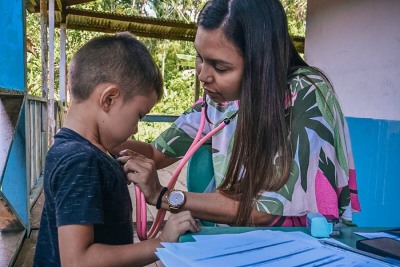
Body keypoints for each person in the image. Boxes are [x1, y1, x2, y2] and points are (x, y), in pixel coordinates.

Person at [117, 0, 361, 227]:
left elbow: (265, 210)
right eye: (200, 58)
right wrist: (94, 137)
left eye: (220, 67)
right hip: (241, 246)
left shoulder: (307, 92)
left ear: (261, 62)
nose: (202, 75)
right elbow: (154, 153)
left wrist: (164, 196)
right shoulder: (218, 103)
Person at [33, 32, 199, 267]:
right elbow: (77, 261)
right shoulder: (81, 160)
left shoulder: (79, 151)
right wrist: (162, 242)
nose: (136, 129)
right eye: (138, 115)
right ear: (109, 99)